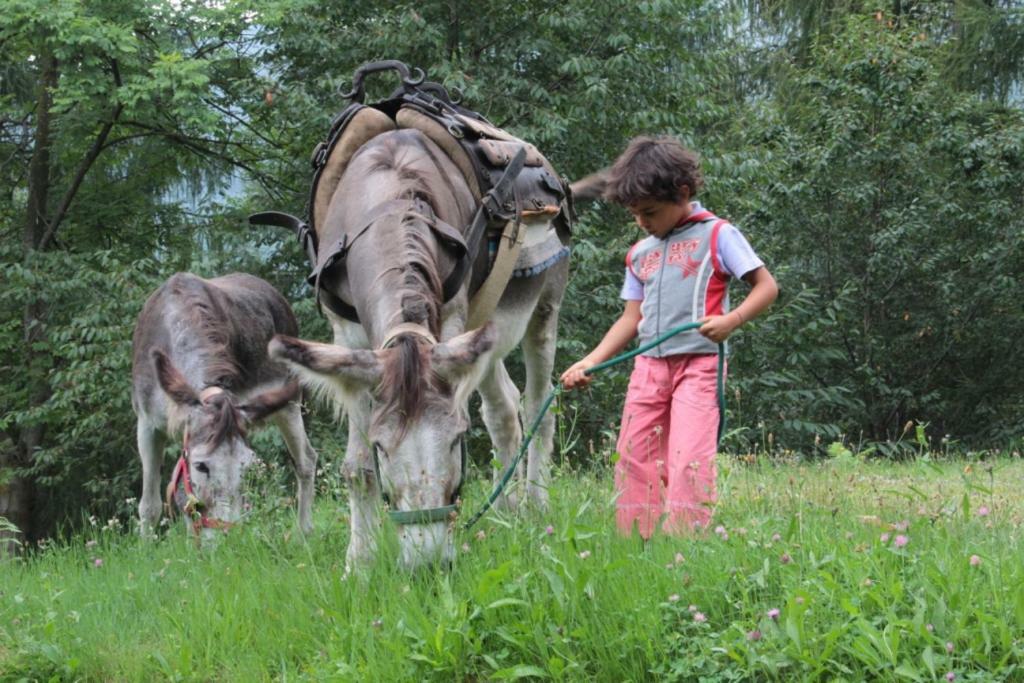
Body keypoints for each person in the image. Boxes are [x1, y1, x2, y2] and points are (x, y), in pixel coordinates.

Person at [561, 136, 778, 538]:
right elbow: (631, 318)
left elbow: (766, 286)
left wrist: (733, 320)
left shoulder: (718, 235)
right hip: (648, 367)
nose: (643, 221)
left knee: (687, 458)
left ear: (682, 193)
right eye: (635, 214)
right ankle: (637, 543)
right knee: (633, 455)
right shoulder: (640, 253)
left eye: (650, 212)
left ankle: (685, 547)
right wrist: (591, 359)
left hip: (699, 365)